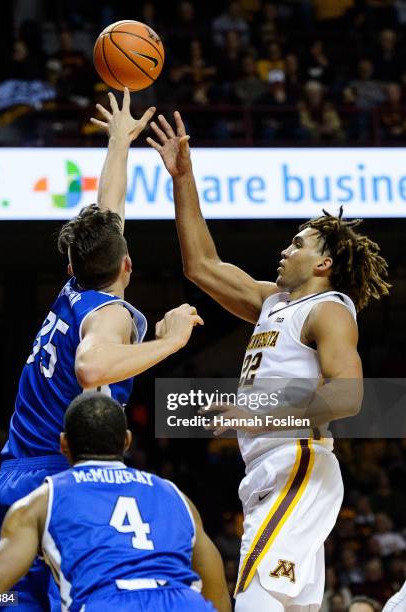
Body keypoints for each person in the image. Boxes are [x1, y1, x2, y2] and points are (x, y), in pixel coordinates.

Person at [147, 111, 390, 611]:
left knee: (255, 603)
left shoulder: (328, 310)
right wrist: (182, 177)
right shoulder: (273, 303)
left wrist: (258, 415)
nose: (285, 250)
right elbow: (202, 266)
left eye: (297, 244)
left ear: (323, 264)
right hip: (268, 469)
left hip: (297, 462)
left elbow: (348, 394)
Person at [0, 90, 204, 611]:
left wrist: (119, 142)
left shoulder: (75, 288)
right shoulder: (111, 315)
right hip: (55, 484)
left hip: (6, 483)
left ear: (73, 263)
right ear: (127, 266)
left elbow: (108, 211)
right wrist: (168, 341)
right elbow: (92, 365)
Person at [0, 393, 231, 612]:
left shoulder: (41, 501)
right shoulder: (175, 495)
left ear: (63, 444)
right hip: (184, 604)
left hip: (106, 602)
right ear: (127, 441)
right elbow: (217, 595)